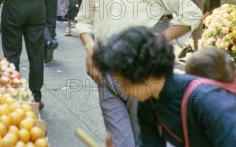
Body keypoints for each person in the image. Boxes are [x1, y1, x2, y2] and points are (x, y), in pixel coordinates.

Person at [75, 0, 203, 147]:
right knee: (120, 142)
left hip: (140, 77)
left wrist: (163, 38)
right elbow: (84, 21)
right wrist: (90, 48)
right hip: (105, 75)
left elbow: (192, 13)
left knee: (144, 139)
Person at [92, 26, 236, 147]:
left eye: (124, 83)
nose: (123, 90)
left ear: (145, 73)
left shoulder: (206, 99)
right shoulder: (148, 103)